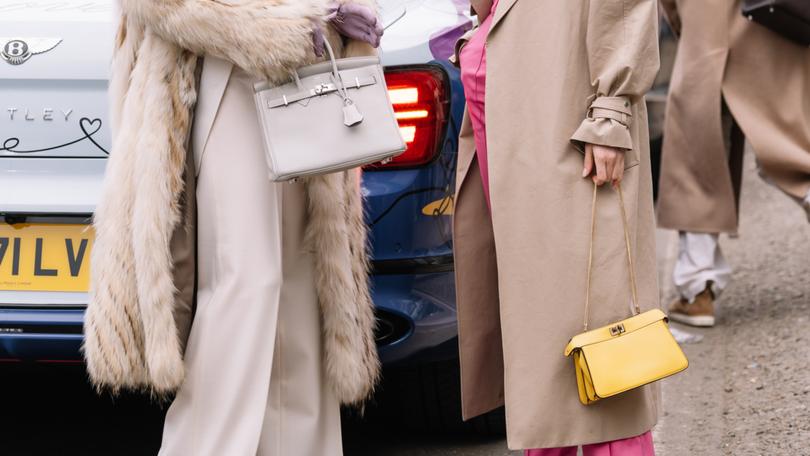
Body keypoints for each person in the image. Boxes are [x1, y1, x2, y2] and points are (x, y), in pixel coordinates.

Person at [83, 1, 383, 455]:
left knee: (301, 291)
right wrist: (281, 30)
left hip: (311, 73)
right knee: (247, 283)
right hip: (217, 74)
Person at [452, 0, 660, 453]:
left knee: (597, 325)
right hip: (507, 109)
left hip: (569, 112)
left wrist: (612, 109)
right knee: (536, 321)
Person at [657, 0, 810, 327]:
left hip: (705, 19)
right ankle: (696, 288)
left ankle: (696, 289)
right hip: (770, 19)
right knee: (789, 138)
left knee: (696, 151)